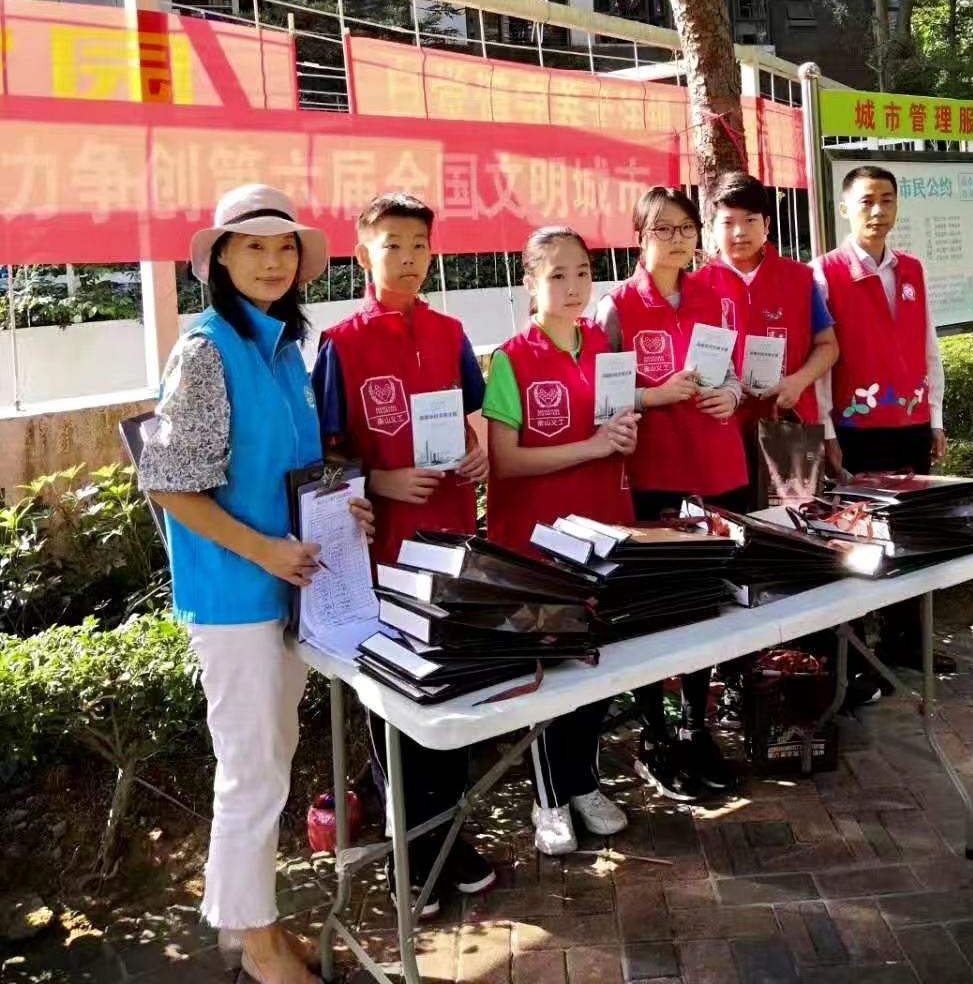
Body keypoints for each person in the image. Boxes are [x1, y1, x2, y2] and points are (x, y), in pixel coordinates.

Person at [138, 184, 365, 984]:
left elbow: (293, 472)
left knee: (267, 761)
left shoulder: (283, 348)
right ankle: (259, 946)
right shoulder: (207, 350)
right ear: (221, 261)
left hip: (285, 588)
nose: (272, 262)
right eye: (253, 247)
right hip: (237, 597)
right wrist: (265, 551)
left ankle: (250, 924)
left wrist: (341, 508)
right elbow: (167, 483)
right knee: (252, 771)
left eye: (284, 248)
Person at [312, 191, 494, 918]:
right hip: (383, 551)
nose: (409, 258)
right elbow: (324, 457)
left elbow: (468, 420)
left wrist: (475, 455)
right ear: (364, 254)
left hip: (454, 542)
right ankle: (408, 857)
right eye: (393, 245)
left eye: (420, 245)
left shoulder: (450, 333)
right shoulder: (341, 344)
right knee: (396, 701)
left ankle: (448, 835)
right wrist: (379, 481)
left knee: (451, 691)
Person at [484, 226, 637, 856]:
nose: (573, 287)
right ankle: (547, 798)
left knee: (597, 664)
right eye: (556, 275)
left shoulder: (603, 345)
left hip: (603, 534)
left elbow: (616, 428)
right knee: (548, 672)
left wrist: (621, 437)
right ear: (530, 283)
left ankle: (583, 782)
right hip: (537, 546)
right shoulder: (511, 359)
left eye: (582, 273)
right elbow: (505, 461)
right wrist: (594, 447)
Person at [596, 186, 745, 802]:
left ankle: (695, 726)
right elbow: (600, 394)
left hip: (715, 465)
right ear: (639, 237)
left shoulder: (713, 294)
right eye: (663, 229)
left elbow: (733, 373)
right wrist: (654, 395)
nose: (677, 239)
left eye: (686, 228)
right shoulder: (616, 306)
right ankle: (654, 735)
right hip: (653, 472)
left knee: (706, 602)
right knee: (656, 607)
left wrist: (730, 394)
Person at [813, 164, 955, 677]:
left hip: (911, 426)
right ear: (845, 209)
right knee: (857, 542)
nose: (878, 211)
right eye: (867, 201)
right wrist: (827, 430)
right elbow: (819, 358)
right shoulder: (824, 273)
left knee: (911, 536)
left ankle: (905, 642)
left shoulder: (912, 269)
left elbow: (928, 345)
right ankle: (859, 655)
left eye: (887, 200)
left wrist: (935, 416)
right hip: (857, 433)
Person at [697, 171, 838, 510]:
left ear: (767, 225)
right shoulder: (697, 287)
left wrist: (798, 381)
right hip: (723, 429)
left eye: (750, 220)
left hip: (788, 424)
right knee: (730, 524)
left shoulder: (800, 278)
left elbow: (829, 345)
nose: (740, 232)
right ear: (711, 228)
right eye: (728, 222)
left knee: (793, 525)